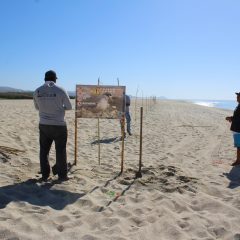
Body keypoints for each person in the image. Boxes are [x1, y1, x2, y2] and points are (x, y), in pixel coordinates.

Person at [33, 70, 72, 181]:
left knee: (44, 150)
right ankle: (62, 176)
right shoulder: (60, 90)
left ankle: (45, 175)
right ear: (55, 79)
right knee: (60, 151)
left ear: (44, 79)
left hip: (44, 124)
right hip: (59, 125)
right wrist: (59, 108)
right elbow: (69, 107)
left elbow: (37, 108)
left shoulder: (37, 91)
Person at [226, 92, 240, 166]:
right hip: (237, 128)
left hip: (238, 129)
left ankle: (238, 161)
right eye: (237, 96)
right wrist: (231, 118)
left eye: (238, 96)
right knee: (238, 145)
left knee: (239, 146)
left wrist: (231, 118)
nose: (237, 98)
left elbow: (238, 118)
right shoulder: (238, 105)